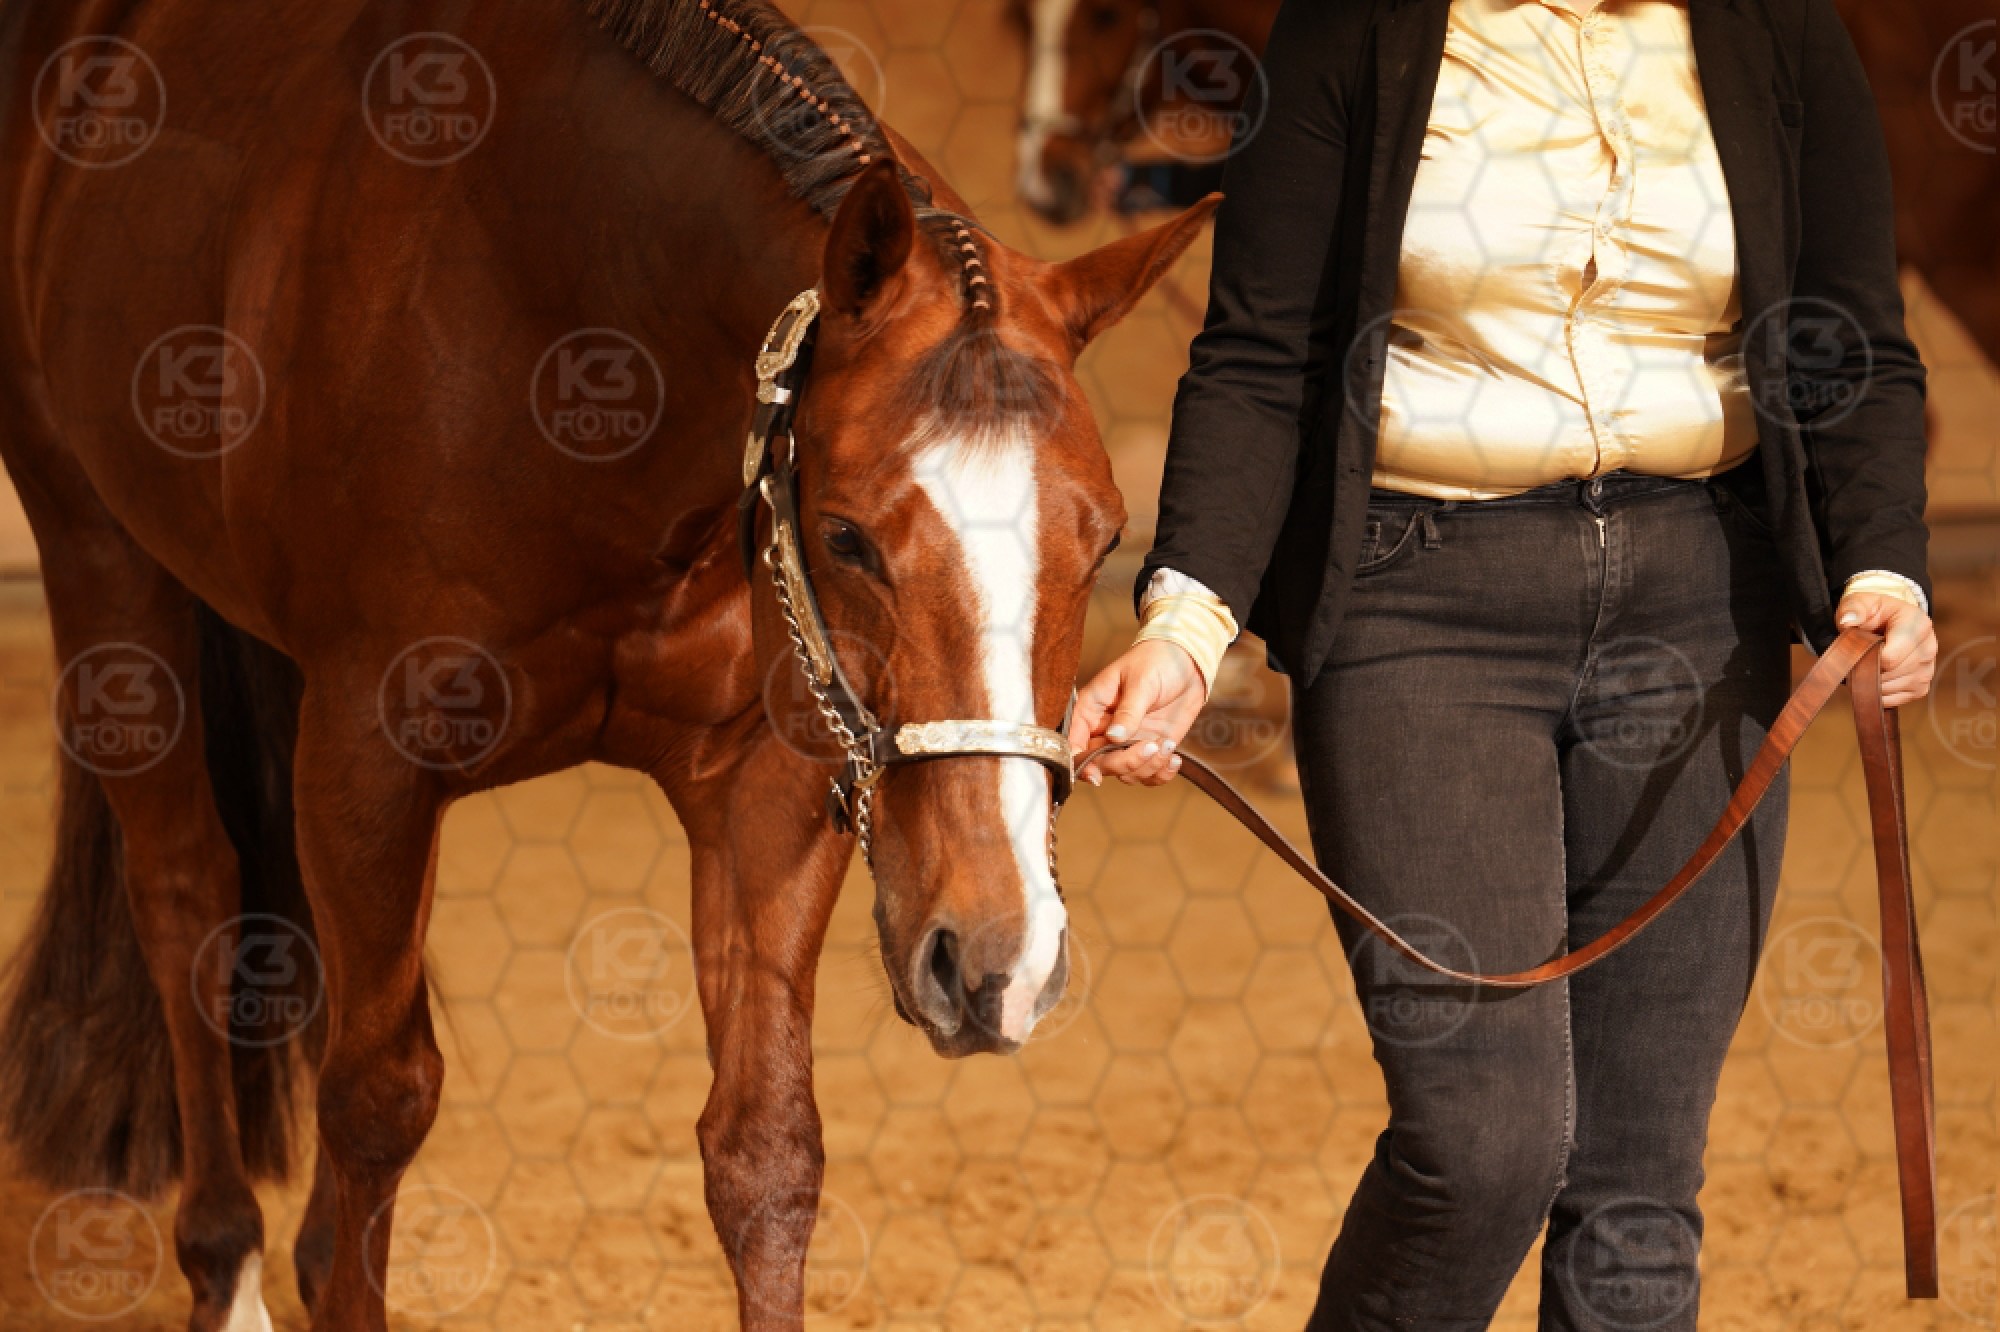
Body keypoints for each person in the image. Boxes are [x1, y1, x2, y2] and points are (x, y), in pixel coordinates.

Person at [1065, 0, 1939, 1327]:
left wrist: (1882, 564)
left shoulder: (1781, 28)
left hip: (1701, 605)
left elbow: (1850, 341)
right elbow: (1260, 353)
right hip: (1422, 608)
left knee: (1638, 1186)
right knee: (1481, 1150)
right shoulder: (1352, 31)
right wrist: (1188, 626)